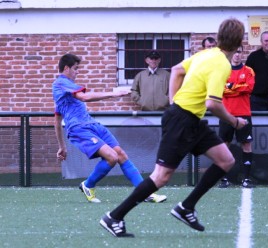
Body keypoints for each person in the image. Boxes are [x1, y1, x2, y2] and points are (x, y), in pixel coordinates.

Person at [100, 18, 248, 237]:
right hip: (182, 120)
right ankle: (114, 217)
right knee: (161, 177)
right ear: (239, 42)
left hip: (191, 120)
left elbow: (177, 69)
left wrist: (173, 100)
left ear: (219, 36)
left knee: (226, 160)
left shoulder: (206, 54)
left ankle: (186, 207)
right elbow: (213, 103)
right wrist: (235, 121)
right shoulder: (222, 64)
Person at [52, 53, 167, 204]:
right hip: (79, 129)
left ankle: (145, 193)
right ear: (66, 68)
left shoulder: (66, 90)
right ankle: (88, 185)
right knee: (111, 157)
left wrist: (62, 147)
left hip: (92, 124)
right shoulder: (60, 83)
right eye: (75, 68)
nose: (77, 71)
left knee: (120, 154)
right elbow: (84, 98)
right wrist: (113, 94)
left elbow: (57, 118)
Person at [218, 46, 255, 189]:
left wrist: (232, 87)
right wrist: (237, 88)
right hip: (226, 114)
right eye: (234, 52)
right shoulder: (222, 71)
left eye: (239, 52)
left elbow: (249, 88)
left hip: (244, 113)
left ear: (242, 53)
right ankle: (224, 179)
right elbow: (221, 90)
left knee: (246, 144)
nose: (236, 55)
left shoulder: (248, 71)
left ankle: (246, 179)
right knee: (224, 145)